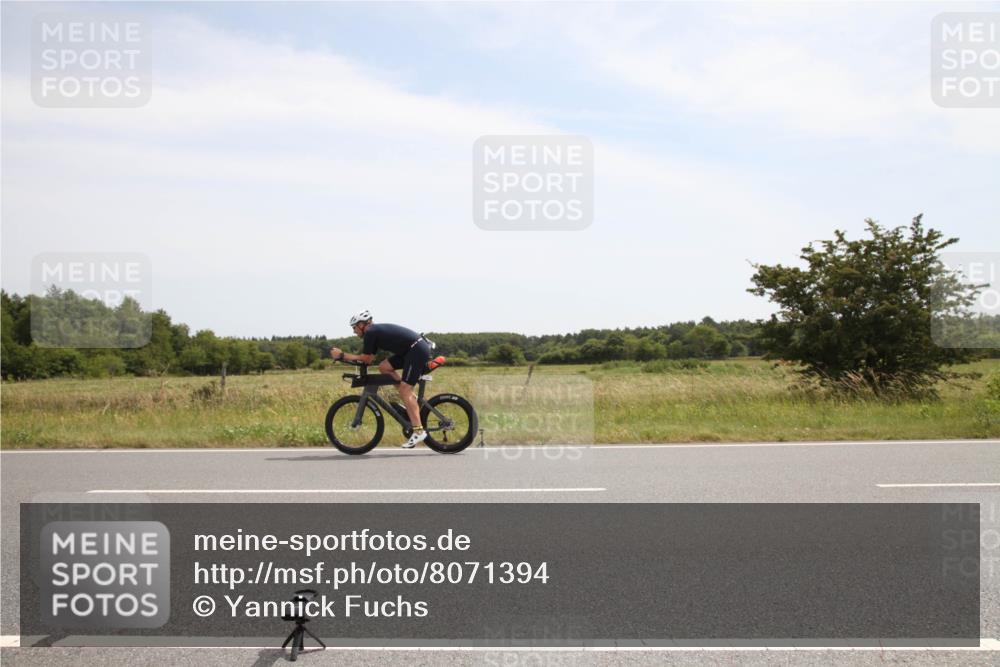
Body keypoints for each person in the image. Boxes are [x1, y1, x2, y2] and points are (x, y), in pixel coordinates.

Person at [330, 310, 430, 449]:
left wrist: (342, 355)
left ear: (362, 324)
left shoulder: (371, 332)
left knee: (404, 390)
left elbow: (364, 358)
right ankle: (410, 400)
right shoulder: (373, 333)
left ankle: (419, 431)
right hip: (411, 351)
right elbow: (369, 359)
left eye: (354, 328)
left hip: (416, 350)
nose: (354, 332)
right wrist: (345, 358)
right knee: (384, 367)